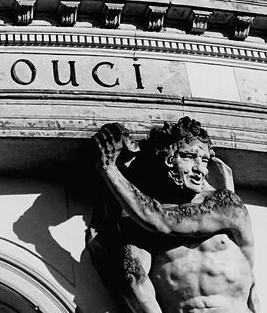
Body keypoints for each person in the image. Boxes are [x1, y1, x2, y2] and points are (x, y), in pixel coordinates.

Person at [91, 118, 256, 313]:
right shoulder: (137, 225)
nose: (200, 169)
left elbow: (163, 222)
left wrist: (110, 169)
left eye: (204, 160)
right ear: (167, 159)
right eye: (188, 156)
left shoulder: (226, 204)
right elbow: (133, 280)